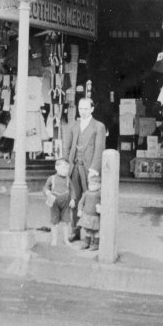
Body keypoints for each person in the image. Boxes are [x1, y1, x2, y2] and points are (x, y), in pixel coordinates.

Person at [63, 97, 106, 242]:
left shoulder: (98, 126)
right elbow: (67, 147)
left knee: (91, 201)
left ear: (92, 109)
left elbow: (99, 149)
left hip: (89, 169)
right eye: (80, 108)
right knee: (74, 199)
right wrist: (65, 165)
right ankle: (75, 231)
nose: (83, 111)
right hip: (74, 167)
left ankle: (93, 234)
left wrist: (94, 169)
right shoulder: (73, 126)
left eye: (86, 108)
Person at [43, 158, 76, 246]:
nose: (66, 171)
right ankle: (54, 239)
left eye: (67, 169)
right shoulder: (52, 178)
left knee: (66, 222)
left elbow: (72, 189)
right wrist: (47, 192)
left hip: (66, 203)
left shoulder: (68, 179)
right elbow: (45, 188)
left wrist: (73, 199)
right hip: (54, 203)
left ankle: (66, 239)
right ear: (56, 167)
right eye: (63, 168)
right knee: (54, 222)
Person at [77, 174, 102, 251]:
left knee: (96, 231)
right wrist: (80, 210)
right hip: (87, 215)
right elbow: (81, 202)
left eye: (94, 184)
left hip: (95, 216)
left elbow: (104, 202)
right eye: (90, 184)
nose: (91, 186)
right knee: (88, 230)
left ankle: (96, 244)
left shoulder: (100, 193)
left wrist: (100, 207)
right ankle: (86, 243)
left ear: (99, 185)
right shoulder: (86, 193)